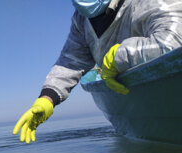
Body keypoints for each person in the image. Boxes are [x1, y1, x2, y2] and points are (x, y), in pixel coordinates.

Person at [13, 0, 182, 144]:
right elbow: (71, 61)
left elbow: (174, 41)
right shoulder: (81, 19)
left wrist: (118, 57)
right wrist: (46, 99)